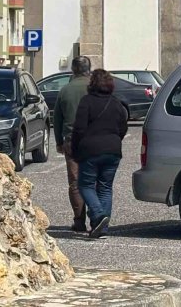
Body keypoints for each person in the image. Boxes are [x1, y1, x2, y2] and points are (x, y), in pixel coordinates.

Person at [71, 68, 128, 239]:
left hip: (91, 150)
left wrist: (75, 150)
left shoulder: (86, 102)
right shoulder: (116, 103)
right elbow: (123, 128)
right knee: (105, 188)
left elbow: (79, 129)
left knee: (85, 185)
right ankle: (102, 229)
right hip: (113, 150)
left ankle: (98, 215)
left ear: (92, 84)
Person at [53, 56, 91, 232]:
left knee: (75, 182)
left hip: (72, 140)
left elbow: (57, 119)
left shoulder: (65, 90)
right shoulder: (96, 88)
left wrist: (59, 142)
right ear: (88, 69)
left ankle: (79, 220)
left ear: (74, 70)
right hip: (95, 140)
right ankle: (97, 217)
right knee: (94, 180)